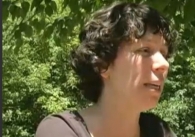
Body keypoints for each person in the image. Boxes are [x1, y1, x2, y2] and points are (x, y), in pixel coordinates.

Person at [35, 1, 177, 137]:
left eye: (164, 54)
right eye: (145, 50)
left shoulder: (159, 131)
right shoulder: (59, 130)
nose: (164, 64)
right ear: (103, 64)